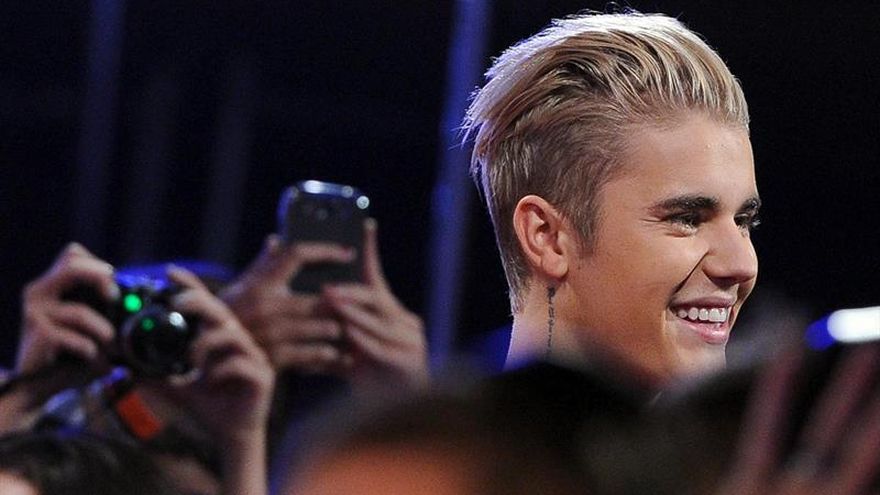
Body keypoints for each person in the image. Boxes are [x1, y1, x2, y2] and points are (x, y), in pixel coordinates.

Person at [463, 11, 760, 387]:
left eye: (743, 221)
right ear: (547, 236)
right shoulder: (429, 425)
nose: (742, 264)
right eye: (687, 219)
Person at [11, 243, 275, 495]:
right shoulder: (52, 415)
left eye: (172, 337)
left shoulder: (226, 451)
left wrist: (242, 441)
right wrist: (24, 394)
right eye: (122, 315)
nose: (148, 343)